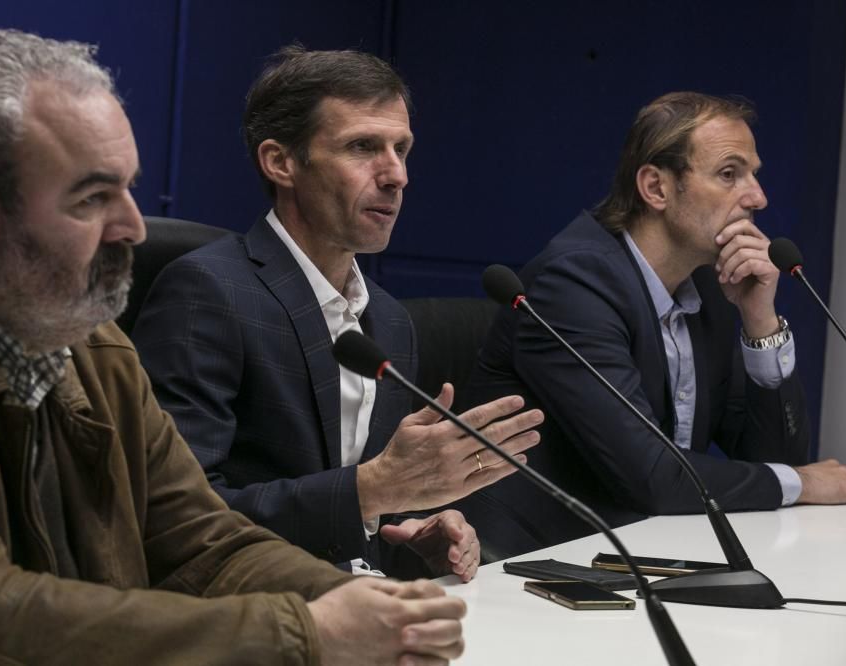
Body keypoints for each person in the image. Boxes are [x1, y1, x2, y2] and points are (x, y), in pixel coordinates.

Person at [0, 30, 468, 665]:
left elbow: (201, 537)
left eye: (128, 188)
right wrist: (304, 633)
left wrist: (366, 608)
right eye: (92, 198)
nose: (131, 226)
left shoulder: (89, 339)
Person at [132, 46, 543, 580]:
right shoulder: (208, 294)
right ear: (280, 162)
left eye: (402, 148)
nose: (397, 175)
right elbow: (176, 518)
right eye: (362, 147)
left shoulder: (390, 323)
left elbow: (356, 517)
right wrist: (371, 491)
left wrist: (414, 533)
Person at [459, 92, 846, 557]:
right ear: (656, 188)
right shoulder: (574, 284)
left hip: (636, 555)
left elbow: (775, 461)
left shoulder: (707, 289)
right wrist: (803, 483)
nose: (758, 197)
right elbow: (652, 477)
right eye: (730, 174)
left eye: (754, 175)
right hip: (530, 565)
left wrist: (759, 320)